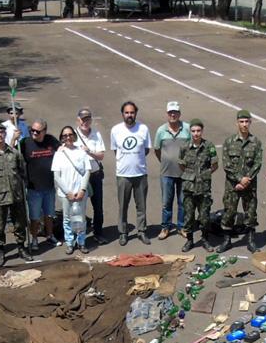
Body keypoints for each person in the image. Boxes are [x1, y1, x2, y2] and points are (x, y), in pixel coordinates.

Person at [0, 120, 30, 269]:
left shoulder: (15, 154)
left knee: (19, 223)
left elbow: (23, 172)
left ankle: (21, 248)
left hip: (16, 195)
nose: (0, 135)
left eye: (2, 132)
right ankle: (0, 252)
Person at [219, 109, 263, 252]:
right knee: (229, 212)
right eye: (241, 122)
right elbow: (226, 164)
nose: (244, 124)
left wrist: (246, 180)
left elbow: (257, 163)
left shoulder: (255, 142)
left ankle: (250, 241)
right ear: (237, 123)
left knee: (250, 213)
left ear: (250, 122)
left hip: (249, 185)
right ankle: (227, 241)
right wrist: (239, 179)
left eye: (246, 122)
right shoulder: (229, 142)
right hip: (233, 185)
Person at [110, 100, 151, 246]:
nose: (129, 115)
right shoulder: (115, 130)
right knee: (123, 206)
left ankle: (141, 231)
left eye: (132, 112)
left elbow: (146, 149)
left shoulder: (143, 129)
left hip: (140, 174)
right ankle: (123, 232)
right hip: (123, 175)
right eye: (126, 112)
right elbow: (116, 150)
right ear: (122, 114)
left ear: (136, 113)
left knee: (141, 206)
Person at [178, 118, 219, 252]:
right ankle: (189, 240)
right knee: (188, 217)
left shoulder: (209, 146)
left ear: (202, 131)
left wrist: (203, 175)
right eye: (193, 131)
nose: (196, 133)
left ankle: (205, 240)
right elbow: (181, 165)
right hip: (189, 189)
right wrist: (191, 176)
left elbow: (214, 165)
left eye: (198, 131)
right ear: (190, 132)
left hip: (204, 189)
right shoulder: (184, 147)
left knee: (204, 217)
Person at [20, 119, 59, 253]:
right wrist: (14, 138)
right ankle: (35, 238)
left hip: (49, 186)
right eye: (32, 130)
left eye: (37, 131)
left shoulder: (51, 140)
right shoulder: (25, 143)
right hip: (33, 188)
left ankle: (50, 235)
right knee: (35, 217)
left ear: (44, 131)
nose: (34, 133)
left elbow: (62, 149)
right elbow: (14, 154)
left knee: (49, 215)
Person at [53, 125, 91, 255]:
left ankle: (81, 242)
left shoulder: (81, 151)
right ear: (62, 138)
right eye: (65, 135)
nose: (68, 137)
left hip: (81, 192)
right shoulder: (59, 154)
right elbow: (57, 176)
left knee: (80, 218)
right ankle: (69, 243)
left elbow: (87, 171)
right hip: (65, 194)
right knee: (67, 219)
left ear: (74, 136)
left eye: (70, 134)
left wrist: (82, 189)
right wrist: (67, 192)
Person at [154, 100, 188, 239]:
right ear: (167, 114)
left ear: (179, 113)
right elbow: (157, 150)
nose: (173, 114)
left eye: (175, 112)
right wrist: (166, 161)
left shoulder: (187, 128)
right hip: (166, 173)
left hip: (184, 172)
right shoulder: (161, 130)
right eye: (170, 112)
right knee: (166, 202)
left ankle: (181, 227)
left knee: (183, 202)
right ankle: (165, 228)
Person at [75, 107, 106, 243]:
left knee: (98, 207)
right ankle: (78, 237)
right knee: (78, 208)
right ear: (78, 120)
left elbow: (101, 156)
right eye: (83, 119)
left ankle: (98, 233)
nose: (85, 122)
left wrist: (90, 152)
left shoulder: (96, 134)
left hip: (95, 175)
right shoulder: (73, 135)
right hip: (80, 177)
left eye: (88, 119)